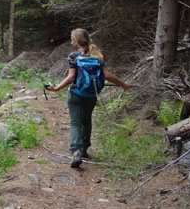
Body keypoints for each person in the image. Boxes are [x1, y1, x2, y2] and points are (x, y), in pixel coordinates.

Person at [46, 28, 131, 168]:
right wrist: (123, 84)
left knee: (75, 123)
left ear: (76, 41)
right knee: (87, 120)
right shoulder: (97, 55)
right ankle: (84, 148)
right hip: (92, 95)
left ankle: (76, 151)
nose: (71, 41)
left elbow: (71, 77)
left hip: (76, 94)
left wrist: (56, 88)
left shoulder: (73, 56)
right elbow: (107, 75)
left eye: (72, 39)